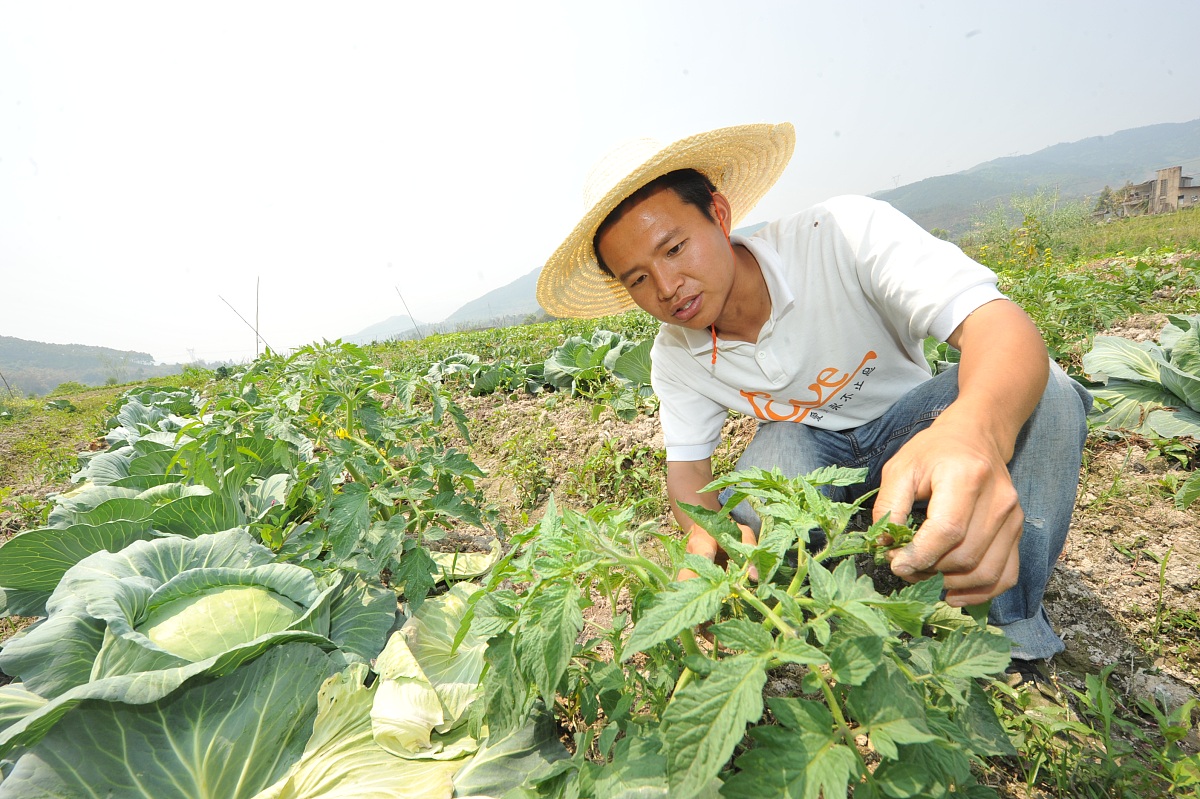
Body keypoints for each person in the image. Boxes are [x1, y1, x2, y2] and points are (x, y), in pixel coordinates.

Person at [535, 122, 1091, 675]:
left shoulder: (841, 234)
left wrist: (973, 431)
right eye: (637, 279)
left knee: (1047, 392)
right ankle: (800, 619)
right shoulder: (675, 354)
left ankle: (1010, 637)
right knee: (774, 459)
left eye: (675, 248)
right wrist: (711, 532)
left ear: (719, 215)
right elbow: (687, 472)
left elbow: (998, 328)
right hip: (811, 455)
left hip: (913, 432)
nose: (666, 286)